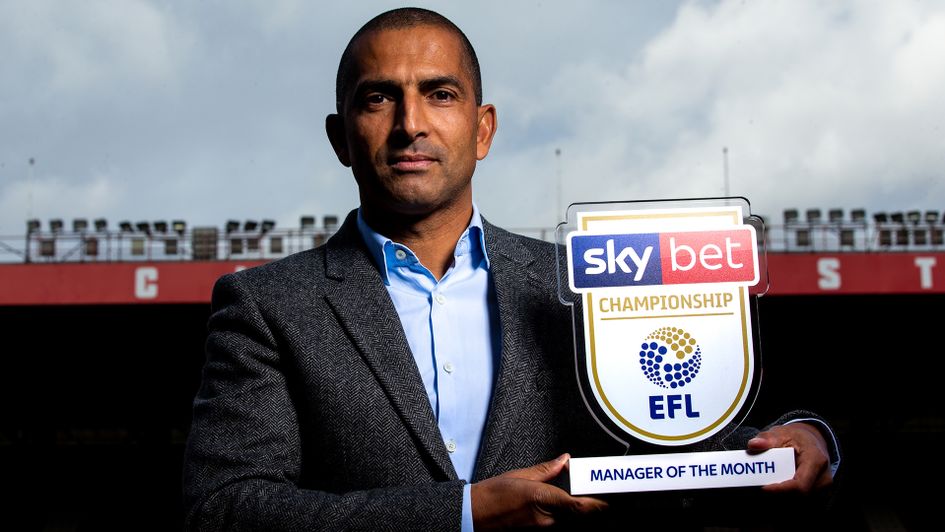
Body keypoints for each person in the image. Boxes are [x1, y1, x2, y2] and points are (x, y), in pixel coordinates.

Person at [183, 7, 838, 530]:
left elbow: (670, 435)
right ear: (339, 137)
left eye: (439, 94)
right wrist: (461, 515)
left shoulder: (579, 282)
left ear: (483, 128)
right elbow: (224, 508)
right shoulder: (265, 306)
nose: (411, 124)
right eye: (379, 98)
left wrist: (797, 441)